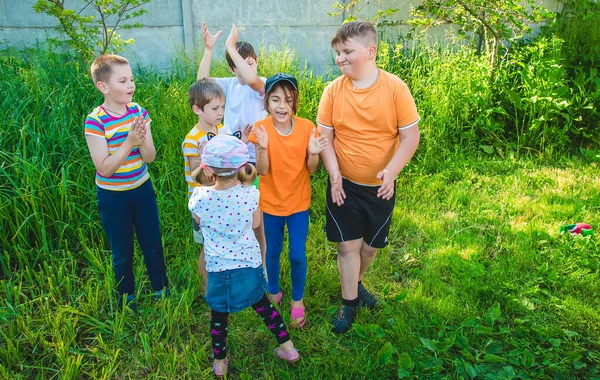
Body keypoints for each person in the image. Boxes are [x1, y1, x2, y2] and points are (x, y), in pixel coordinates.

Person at [317, 21, 420, 333]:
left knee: (369, 248)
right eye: (337, 53)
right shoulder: (332, 92)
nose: (340, 58)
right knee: (347, 247)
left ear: (371, 51)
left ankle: (356, 284)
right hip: (344, 185)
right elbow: (325, 138)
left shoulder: (395, 89)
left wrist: (391, 171)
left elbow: (410, 137)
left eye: (347, 51)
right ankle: (349, 304)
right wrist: (334, 175)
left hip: (380, 188)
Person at [188, 134, 300, 377]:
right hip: (248, 264)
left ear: (207, 169)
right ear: (241, 167)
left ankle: (219, 364)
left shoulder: (199, 197)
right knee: (265, 308)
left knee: (218, 317)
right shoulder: (250, 195)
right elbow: (256, 222)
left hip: (218, 268)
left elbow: (198, 222)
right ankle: (289, 349)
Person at [84, 54, 169, 313]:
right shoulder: (96, 120)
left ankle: (161, 290)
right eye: (123, 80)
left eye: (131, 79)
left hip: (142, 189)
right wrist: (129, 142)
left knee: (152, 243)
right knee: (122, 251)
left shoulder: (138, 112)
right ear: (104, 87)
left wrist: (141, 139)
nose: (131, 84)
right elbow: (105, 168)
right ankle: (127, 299)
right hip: (113, 196)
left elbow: (150, 157)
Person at [248, 73, 327, 328]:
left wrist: (314, 153)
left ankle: (297, 300)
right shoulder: (261, 129)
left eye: (288, 100)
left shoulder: (306, 128)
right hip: (270, 203)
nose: (282, 106)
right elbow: (261, 171)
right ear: (267, 102)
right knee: (272, 251)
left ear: (295, 103)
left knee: (297, 255)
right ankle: (273, 290)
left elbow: (312, 169)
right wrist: (261, 148)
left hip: (298, 204)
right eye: (275, 100)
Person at [197, 21, 268, 258]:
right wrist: (209, 50)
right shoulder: (229, 86)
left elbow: (251, 78)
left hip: (255, 160)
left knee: (257, 218)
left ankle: (261, 261)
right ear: (231, 69)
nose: (245, 68)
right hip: (228, 162)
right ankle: (231, 256)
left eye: (250, 63)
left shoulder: (263, 86)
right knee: (231, 211)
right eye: (238, 64)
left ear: (256, 63)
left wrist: (231, 46)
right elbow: (201, 85)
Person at [182, 78, 225, 295]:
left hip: (221, 197)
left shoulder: (221, 130)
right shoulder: (192, 140)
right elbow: (200, 177)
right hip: (204, 204)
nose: (220, 113)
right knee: (207, 247)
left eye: (222, 107)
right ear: (197, 109)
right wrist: (203, 156)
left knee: (220, 242)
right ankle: (205, 288)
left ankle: (219, 281)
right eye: (215, 108)